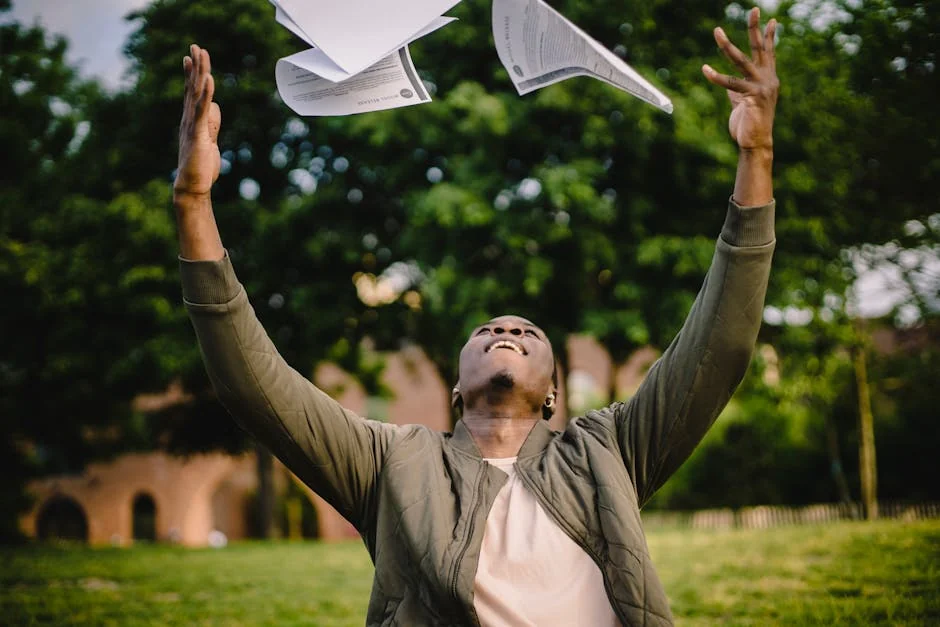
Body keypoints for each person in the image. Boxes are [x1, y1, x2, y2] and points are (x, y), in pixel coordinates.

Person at [173, 7, 779, 626]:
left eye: (526, 331)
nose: (506, 329)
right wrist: (194, 203)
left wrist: (755, 156)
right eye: (488, 330)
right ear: (457, 388)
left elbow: (719, 347)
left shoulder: (610, 451)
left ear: (553, 393)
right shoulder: (392, 465)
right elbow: (252, 382)